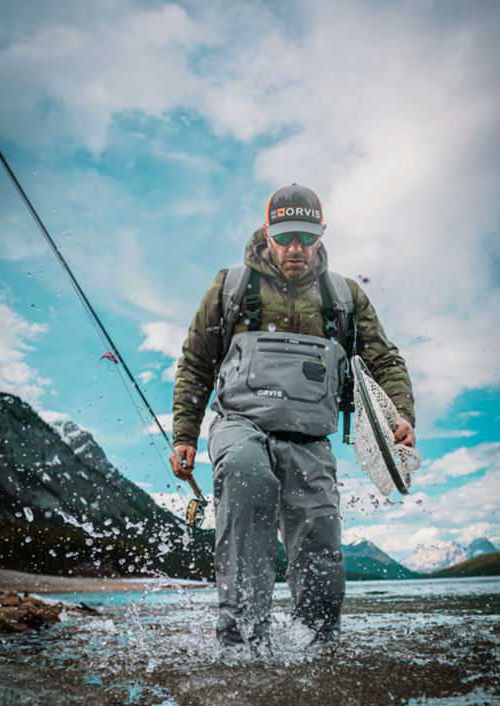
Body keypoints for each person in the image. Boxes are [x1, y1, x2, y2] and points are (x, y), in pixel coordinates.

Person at [170, 184, 415, 648]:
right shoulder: (229, 287)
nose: (296, 248)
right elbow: (196, 363)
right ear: (267, 232)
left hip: (311, 437)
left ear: (322, 234)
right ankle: (242, 641)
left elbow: (386, 362)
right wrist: (184, 433)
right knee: (247, 477)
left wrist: (401, 414)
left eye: (307, 235)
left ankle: (317, 648)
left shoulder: (344, 297)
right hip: (240, 425)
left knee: (320, 539)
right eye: (286, 236)